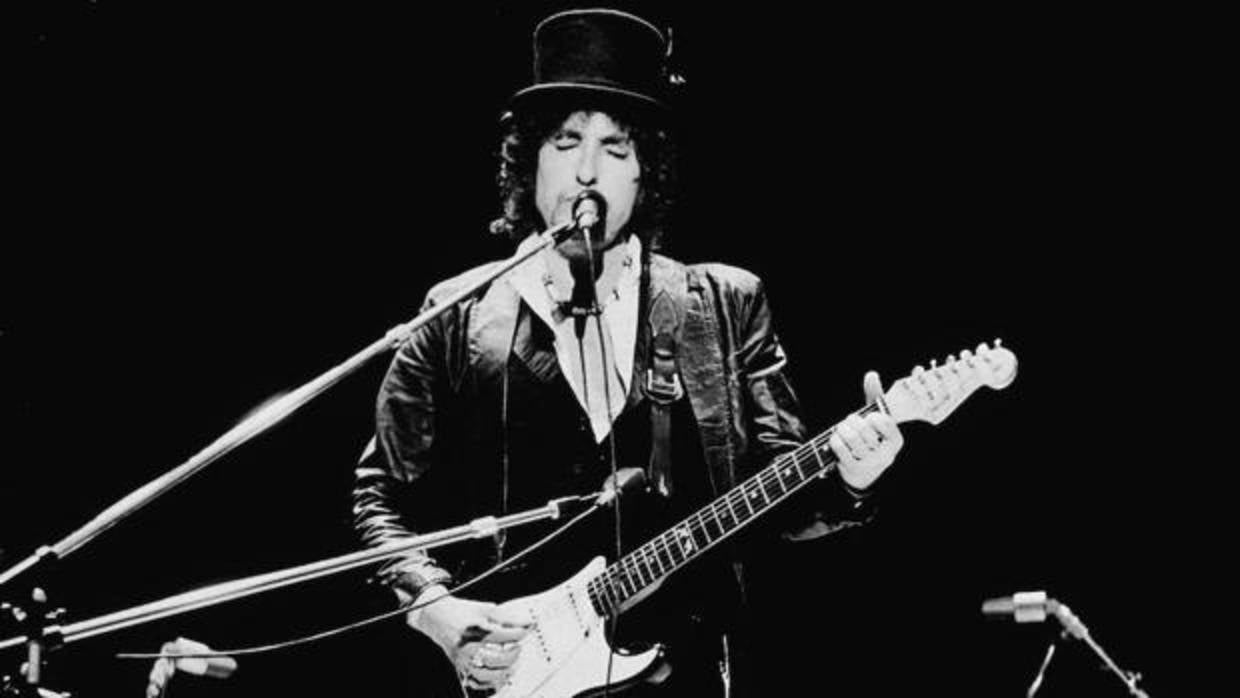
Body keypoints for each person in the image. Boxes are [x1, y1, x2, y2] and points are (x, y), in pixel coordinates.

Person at [353, 7, 902, 696]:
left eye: (616, 149)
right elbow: (380, 499)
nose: (587, 172)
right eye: (565, 141)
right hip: (518, 678)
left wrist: (854, 477)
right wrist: (438, 612)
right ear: (529, 162)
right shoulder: (459, 313)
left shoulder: (723, 303)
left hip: (683, 676)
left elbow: (782, 502)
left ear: (646, 173)